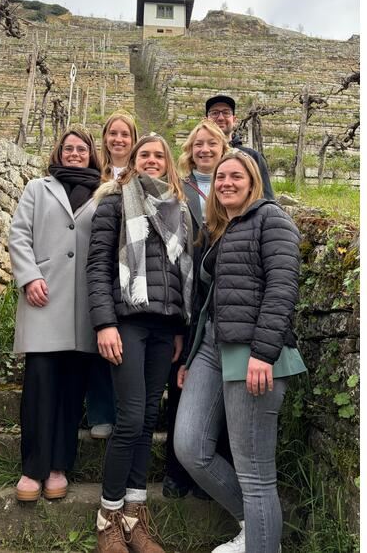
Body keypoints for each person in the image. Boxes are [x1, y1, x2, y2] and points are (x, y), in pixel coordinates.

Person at [173, 150, 307, 553]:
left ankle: (264, 543)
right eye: (221, 177)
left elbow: (283, 290)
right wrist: (191, 356)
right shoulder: (219, 230)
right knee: (189, 447)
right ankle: (256, 527)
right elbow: (210, 300)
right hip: (212, 350)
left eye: (236, 176)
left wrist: (263, 354)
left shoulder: (272, 219)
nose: (226, 182)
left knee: (256, 475)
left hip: (253, 353)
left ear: (253, 182)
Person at [86, 133, 193, 553]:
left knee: (148, 420)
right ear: (132, 160)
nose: (151, 160)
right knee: (130, 419)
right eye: (144, 154)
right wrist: (104, 324)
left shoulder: (179, 209)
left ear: (168, 163)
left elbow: (180, 273)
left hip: (165, 327)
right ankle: (107, 517)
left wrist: (181, 328)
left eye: (158, 155)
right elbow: (97, 268)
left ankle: (135, 515)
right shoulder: (114, 201)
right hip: (127, 322)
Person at [7, 128, 104, 503]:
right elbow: (19, 235)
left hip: (83, 306)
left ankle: (59, 466)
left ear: (90, 154)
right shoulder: (37, 188)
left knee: (70, 391)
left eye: (82, 148)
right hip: (44, 299)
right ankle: (32, 469)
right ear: (59, 153)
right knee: (40, 388)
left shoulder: (104, 191)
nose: (76, 153)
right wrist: (30, 276)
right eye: (69, 149)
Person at [162, 119, 231, 500]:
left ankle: (210, 475)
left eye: (212, 144)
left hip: (219, 298)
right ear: (189, 150)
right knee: (180, 385)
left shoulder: (234, 185)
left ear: (224, 149)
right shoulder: (179, 188)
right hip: (187, 298)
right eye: (198, 144)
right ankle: (176, 472)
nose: (204, 149)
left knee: (219, 394)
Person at [86, 111, 141, 439]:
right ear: (104, 138)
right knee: (98, 337)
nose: (119, 139)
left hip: (130, 270)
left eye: (126, 134)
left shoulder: (141, 176)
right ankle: (100, 411)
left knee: (127, 342)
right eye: (113, 133)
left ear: (133, 141)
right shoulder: (93, 175)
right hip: (96, 264)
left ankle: (125, 411)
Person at [203, 95, 275, 200]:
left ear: (234, 119)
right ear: (205, 120)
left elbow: (267, 200)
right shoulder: (196, 157)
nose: (220, 117)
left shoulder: (252, 157)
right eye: (214, 113)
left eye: (226, 112)